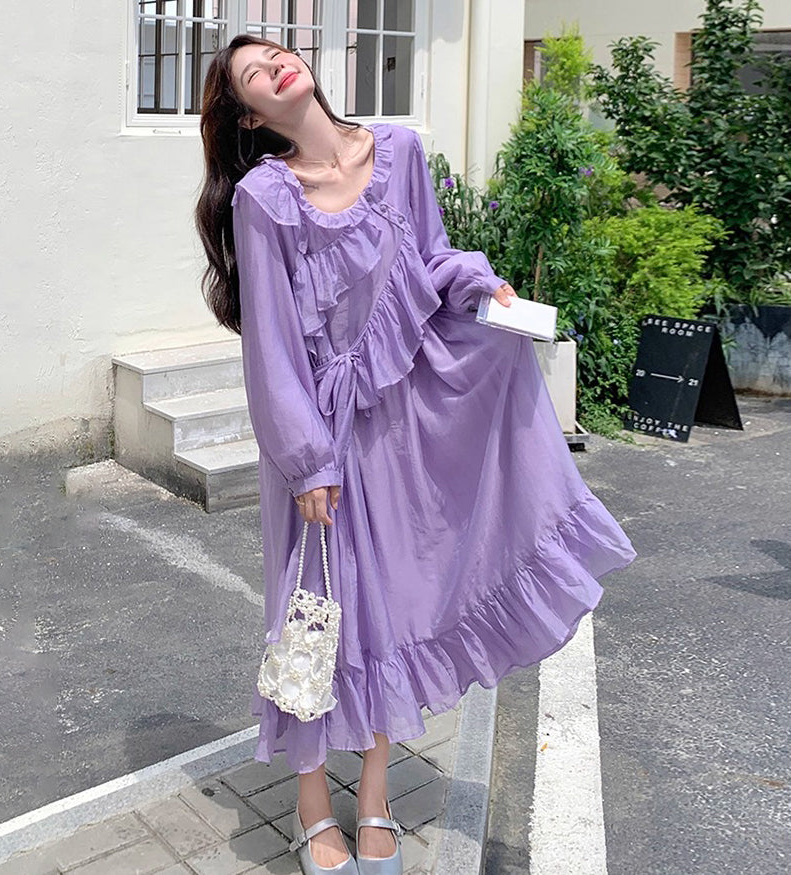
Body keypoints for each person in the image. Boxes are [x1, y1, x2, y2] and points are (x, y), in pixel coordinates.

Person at [195, 34, 637, 875]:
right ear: (249, 115)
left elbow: (430, 258)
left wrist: (477, 284)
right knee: (316, 616)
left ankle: (374, 800)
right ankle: (311, 809)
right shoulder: (265, 196)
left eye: (278, 52)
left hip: (401, 417)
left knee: (389, 613)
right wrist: (306, 458)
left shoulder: (396, 150)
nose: (277, 64)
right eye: (254, 74)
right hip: (323, 436)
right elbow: (272, 346)